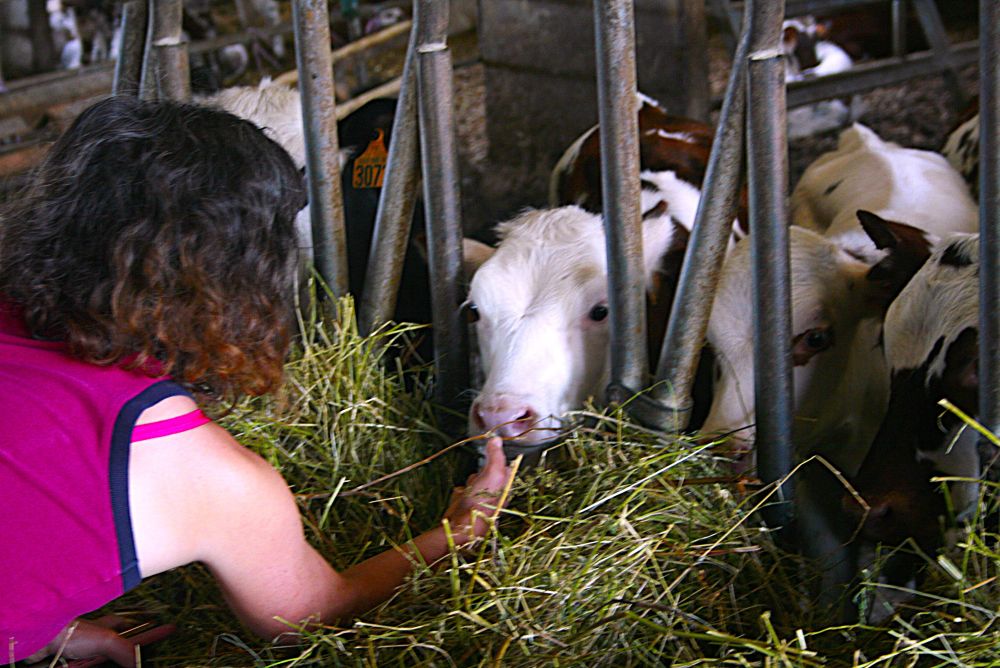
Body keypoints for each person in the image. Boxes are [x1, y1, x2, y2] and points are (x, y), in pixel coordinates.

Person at [0, 96, 513, 666]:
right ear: (242, 275)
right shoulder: (203, 474)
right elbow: (309, 616)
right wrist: (458, 530)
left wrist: (33, 623)